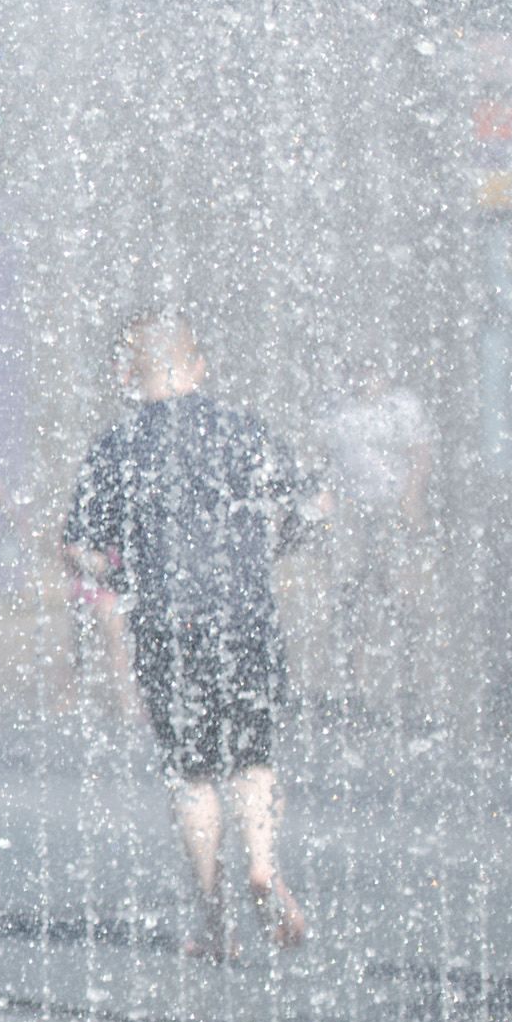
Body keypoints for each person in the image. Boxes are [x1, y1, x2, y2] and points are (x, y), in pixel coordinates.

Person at [63, 317, 320, 961]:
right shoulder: (244, 428)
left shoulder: (117, 444)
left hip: (167, 623)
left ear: (131, 375)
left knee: (193, 772)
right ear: (198, 366)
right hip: (246, 614)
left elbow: (77, 549)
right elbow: (308, 510)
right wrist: (264, 557)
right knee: (254, 760)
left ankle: (213, 921)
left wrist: (125, 574)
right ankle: (262, 864)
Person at [317, 365, 434, 714]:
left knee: (398, 594)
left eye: (373, 372)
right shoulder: (338, 406)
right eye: (361, 371)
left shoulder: (402, 406)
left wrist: (411, 498)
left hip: (391, 509)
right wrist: (326, 497)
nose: (367, 380)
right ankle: (353, 684)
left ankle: (408, 682)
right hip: (350, 511)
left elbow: (421, 453)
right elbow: (324, 454)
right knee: (349, 596)